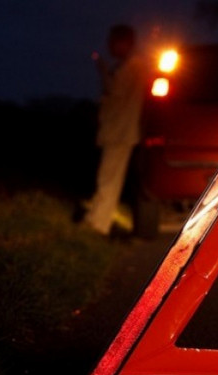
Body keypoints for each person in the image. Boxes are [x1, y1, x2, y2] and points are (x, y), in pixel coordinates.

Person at [83, 24, 146, 235]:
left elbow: (114, 90)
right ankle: (97, 220)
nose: (110, 47)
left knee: (108, 179)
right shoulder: (129, 65)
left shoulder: (133, 66)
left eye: (113, 42)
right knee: (108, 177)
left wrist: (102, 68)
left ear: (124, 43)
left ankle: (98, 224)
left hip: (120, 132)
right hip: (118, 131)